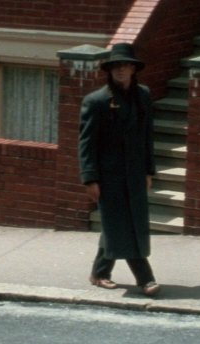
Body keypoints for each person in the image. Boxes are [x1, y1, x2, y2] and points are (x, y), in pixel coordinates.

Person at [78, 43, 160, 296]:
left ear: (134, 69)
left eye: (125, 65)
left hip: (134, 174)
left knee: (123, 224)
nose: (121, 70)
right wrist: (90, 178)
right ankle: (145, 278)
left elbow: (147, 135)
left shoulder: (143, 95)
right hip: (109, 176)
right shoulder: (97, 101)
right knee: (119, 224)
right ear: (110, 70)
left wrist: (148, 171)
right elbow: (86, 143)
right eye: (116, 66)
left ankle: (99, 272)